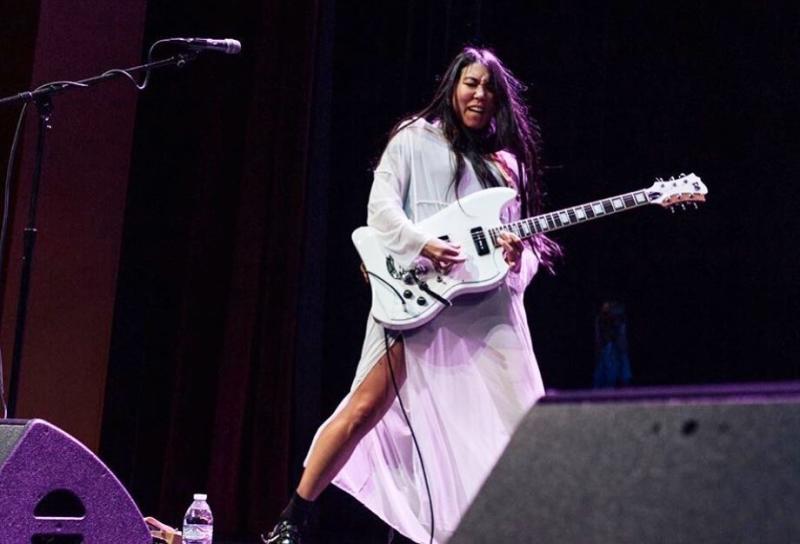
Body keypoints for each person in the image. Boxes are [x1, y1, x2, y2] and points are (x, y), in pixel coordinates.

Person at [263, 46, 561, 544]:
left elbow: (527, 247)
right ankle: (293, 518)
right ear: (452, 86)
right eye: (471, 83)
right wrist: (422, 243)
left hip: (485, 306)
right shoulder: (413, 139)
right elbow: (381, 209)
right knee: (364, 408)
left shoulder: (508, 168)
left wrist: (516, 261)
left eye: (489, 88)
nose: (480, 94)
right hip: (414, 296)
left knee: (523, 417)